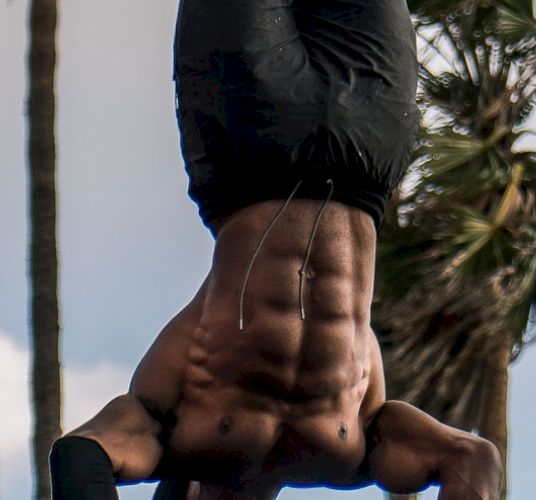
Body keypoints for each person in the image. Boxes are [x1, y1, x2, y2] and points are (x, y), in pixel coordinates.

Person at [49, 0, 502, 498]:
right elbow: (471, 456)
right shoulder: (346, 451)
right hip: (367, 146)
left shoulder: (174, 429)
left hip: (250, 139)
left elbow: (81, 450)